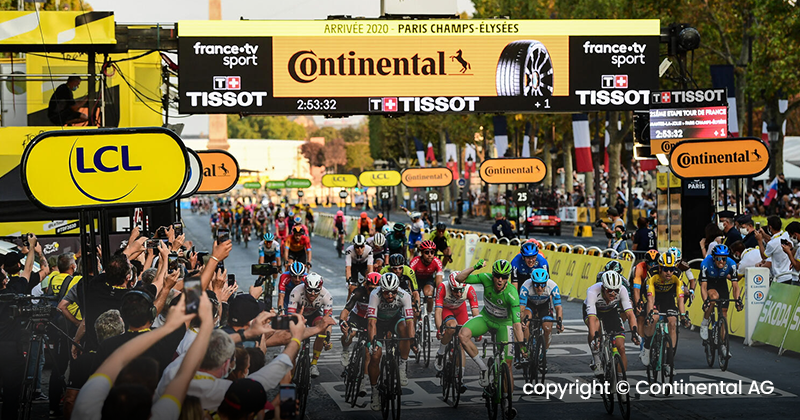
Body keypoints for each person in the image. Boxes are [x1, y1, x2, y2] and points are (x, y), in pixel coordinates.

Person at [73, 294, 213, 420]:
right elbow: (186, 371)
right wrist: (206, 322)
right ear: (152, 393)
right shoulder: (163, 414)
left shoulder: (87, 409)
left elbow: (119, 357)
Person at [454, 259, 523, 410]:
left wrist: (522, 345)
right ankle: (483, 369)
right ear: (492, 274)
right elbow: (459, 278)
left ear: (508, 278)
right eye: (497, 275)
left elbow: (517, 324)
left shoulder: (512, 294)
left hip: (504, 325)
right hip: (486, 319)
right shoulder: (486, 279)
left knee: (508, 366)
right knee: (462, 335)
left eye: (504, 277)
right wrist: (475, 267)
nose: (500, 280)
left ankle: (507, 404)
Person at [367, 273, 415, 410]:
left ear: (397, 290)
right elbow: (371, 323)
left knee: (405, 331)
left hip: (395, 319)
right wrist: (373, 344)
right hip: (378, 323)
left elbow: (410, 321)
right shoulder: (375, 295)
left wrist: (412, 340)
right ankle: (375, 392)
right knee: (375, 356)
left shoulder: (404, 295)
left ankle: (402, 366)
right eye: (386, 293)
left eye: (393, 292)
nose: (389, 296)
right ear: (381, 290)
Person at [584, 271, 639, 375]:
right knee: (596, 326)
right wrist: (595, 337)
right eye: (609, 290)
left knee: (621, 347)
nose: (613, 294)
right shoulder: (593, 291)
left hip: (610, 311)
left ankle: (620, 379)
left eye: (616, 291)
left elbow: (630, 314)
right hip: (595, 312)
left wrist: (634, 332)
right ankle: (596, 360)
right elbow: (591, 318)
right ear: (603, 288)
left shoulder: (622, 290)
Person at [640, 251, 688, 368]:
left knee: (672, 322)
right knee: (654, 317)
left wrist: (682, 315)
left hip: (667, 296)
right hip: (653, 295)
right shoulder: (653, 273)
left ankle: (669, 361)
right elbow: (651, 299)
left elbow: (680, 298)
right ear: (660, 268)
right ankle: (646, 347)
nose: (669, 273)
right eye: (666, 269)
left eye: (671, 269)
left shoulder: (677, 274)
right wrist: (650, 313)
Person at [339, 271, 380, 395]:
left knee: (368, 352)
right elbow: (347, 309)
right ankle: (345, 351)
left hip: (370, 320)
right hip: (357, 318)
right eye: (370, 288)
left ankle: (363, 381)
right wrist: (342, 322)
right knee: (350, 333)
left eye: (375, 288)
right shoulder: (358, 292)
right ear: (366, 285)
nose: (372, 291)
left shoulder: (381, 295)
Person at [287, 273, 334, 378]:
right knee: (292, 338)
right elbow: (290, 316)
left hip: (314, 315)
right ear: (305, 287)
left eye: (316, 291)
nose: (312, 294)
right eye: (309, 290)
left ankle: (314, 364)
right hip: (298, 314)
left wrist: (328, 338)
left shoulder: (327, 296)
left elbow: (327, 321)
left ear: (320, 288)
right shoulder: (296, 291)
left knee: (322, 328)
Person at [698, 245, 743, 355]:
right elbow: (703, 287)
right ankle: (705, 322)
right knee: (713, 298)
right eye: (718, 258)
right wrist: (705, 301)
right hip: (709, 282)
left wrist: (738, 300)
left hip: (721, 283)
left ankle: (723, 344)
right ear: (713, 257)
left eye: (724, 258)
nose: (721, 261)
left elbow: (735, 286)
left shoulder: (731, 264)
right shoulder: (705, 264)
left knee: (723, 313)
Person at [433, 271, 479, 372]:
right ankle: (440, 353)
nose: (458, 294)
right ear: (450, 287)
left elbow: (475, 312)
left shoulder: (469, 289)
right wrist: (439, 328)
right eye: (455, 290)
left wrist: (478, 331)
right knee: (451, 327)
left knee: (462, 340)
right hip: (446, 309)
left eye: (461, 290)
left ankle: (460, 376)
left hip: (460, 310)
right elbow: (438, 311)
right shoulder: (442, 287)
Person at [519, 268, 564, 361]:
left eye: (543, 285)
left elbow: (558, 307)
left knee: (547, 328)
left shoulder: (553, 286)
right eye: (536, 285)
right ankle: (526, 348)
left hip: (544, 305)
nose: (539, 288)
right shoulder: (526, 286)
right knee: (526, 322)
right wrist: (521, 320)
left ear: (546, 283)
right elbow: (521, 308)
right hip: (530, 304)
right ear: (532, 283)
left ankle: (544, 351)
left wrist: (560, 322)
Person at [409, 240, 444, 317]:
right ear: (421, 253)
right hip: (416, 280)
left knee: (429, 295)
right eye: (427, 252)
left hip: (428, 279)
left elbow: (439, 282)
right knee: (415, 298)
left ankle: (428, 315)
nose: (430, 255)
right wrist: (411, 293)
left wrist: (440, 295)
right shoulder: (415, 261)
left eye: (432, 252)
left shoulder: (437, 262)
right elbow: (410, 280)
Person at [756, 215, 793, 284]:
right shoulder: (786, 235)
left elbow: (764, 256)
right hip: (790, 275)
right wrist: (764, 235)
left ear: (770, 227)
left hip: (780, 278)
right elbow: (775, 240)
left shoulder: (771, 244)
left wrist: (759, 241)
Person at [632, 250, 660, 335]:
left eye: (655, 264)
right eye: (650, 264)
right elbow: (637, 290)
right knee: (640, 315)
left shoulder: (661, 268)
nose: (653, 266)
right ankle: (642, 340)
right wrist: (638, 303)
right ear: (646, 263)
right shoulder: (640, 268)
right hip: (643, 288)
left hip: (656, 289)